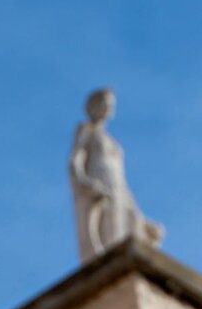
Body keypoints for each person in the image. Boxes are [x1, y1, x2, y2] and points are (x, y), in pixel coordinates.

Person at [68, 87, 163, 262]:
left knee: (122, 226)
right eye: (105, 103)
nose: (108, 108)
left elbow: (122, 182)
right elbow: (75, 160)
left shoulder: (111, 141)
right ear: (94, 106)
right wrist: (84, 182)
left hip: (116, 186)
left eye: (111, 104)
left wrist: (141, 219)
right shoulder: (86, 130)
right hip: (98, 181)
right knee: (106, 232)